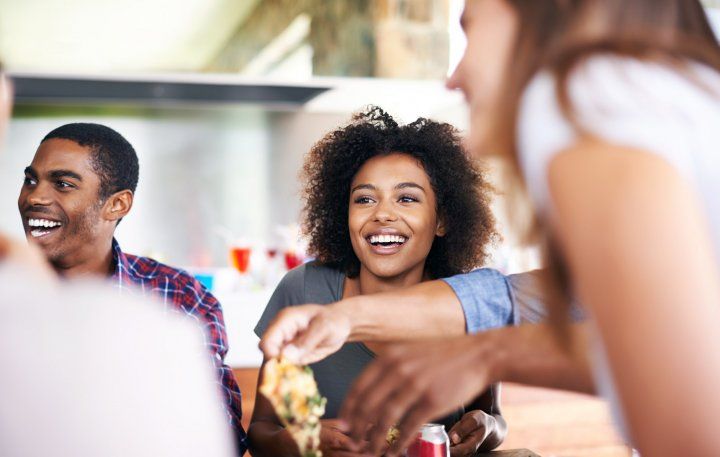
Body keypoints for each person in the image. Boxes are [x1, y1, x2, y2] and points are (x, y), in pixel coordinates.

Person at [263, 1, 720, 456]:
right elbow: (529, 302)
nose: (454, 76)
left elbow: (687, 401)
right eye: (365, 198)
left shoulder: (583, 108)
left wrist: (485, 355)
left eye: (471, 27)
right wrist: (346, 319)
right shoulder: (671, 96)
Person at [249, 107, 511, 457]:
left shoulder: (469, 305)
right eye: (365, 199)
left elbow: (493, 418)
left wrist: (485, 428)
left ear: (442, 221)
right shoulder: (303, 292)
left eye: (406, 198)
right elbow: (262, 430)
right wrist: (301, 441)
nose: (383, 214)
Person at [0, 69, 235, 457]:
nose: (33, 198)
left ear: (117, 204)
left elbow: (220, 432)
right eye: (30, 180)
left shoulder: (181, 299)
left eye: (63, 183)